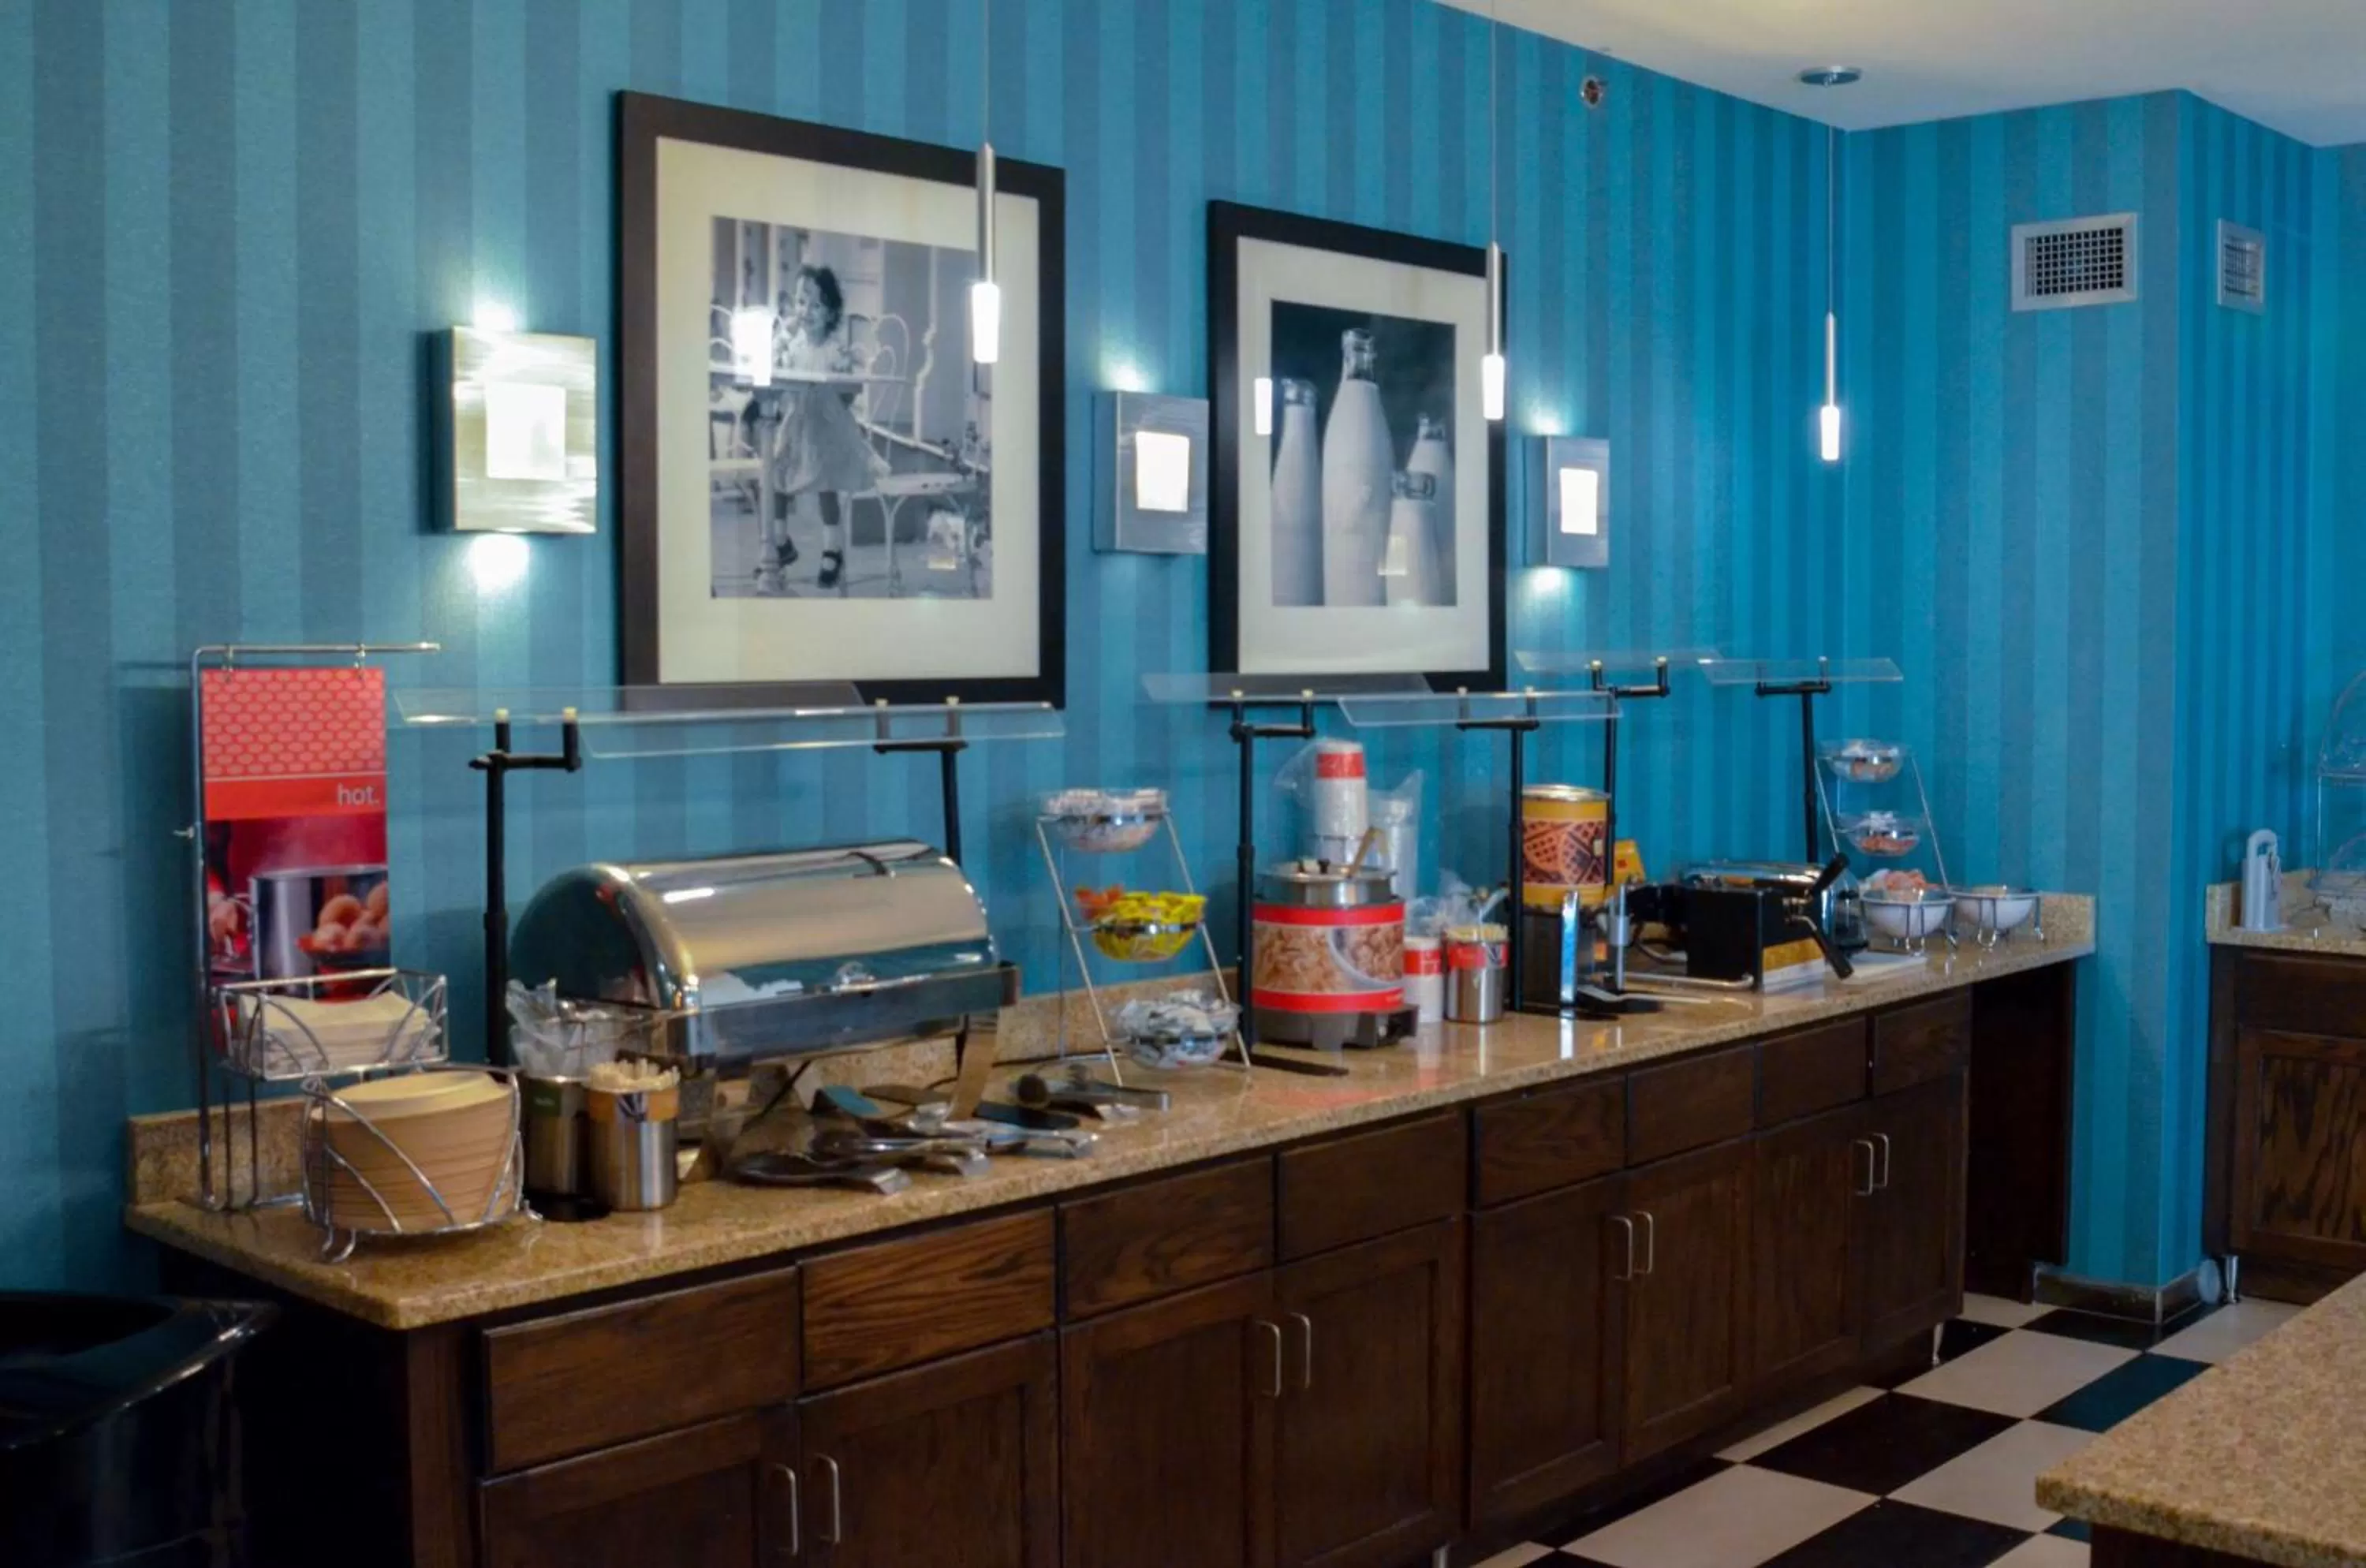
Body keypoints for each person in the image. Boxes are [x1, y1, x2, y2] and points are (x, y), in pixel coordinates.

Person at [754, 263, 884, 592]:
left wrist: (844, 372)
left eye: (815, 304)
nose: (806, 311)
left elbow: (849, 389)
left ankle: (832, 548)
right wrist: (780, 345)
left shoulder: (833, 350)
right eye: (801, 302)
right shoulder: (794, 345)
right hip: (795, 424)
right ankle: (781, 541)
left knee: (825, 486)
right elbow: (774, 370)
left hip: (823, 427)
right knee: (776, 475)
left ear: (830, 312)